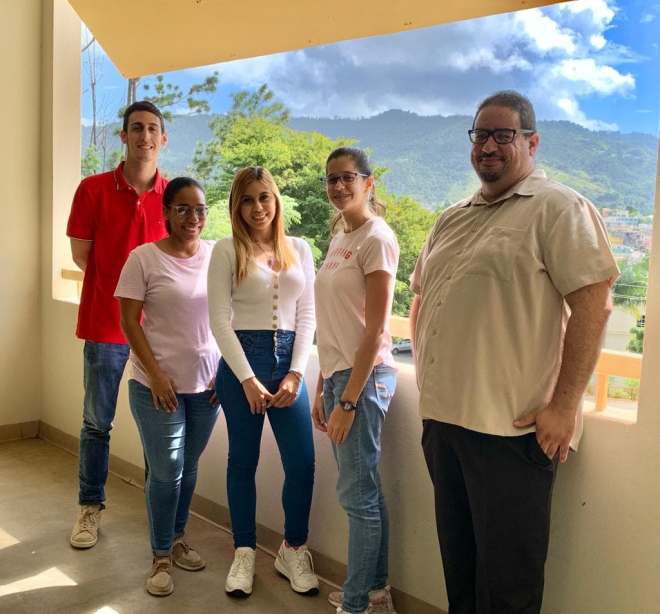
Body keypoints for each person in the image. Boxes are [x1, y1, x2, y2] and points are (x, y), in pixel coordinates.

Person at [410, 90, 619, 614]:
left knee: (509, 587)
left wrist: (564, 406)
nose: (488, 146)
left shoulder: (558, 208)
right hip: (444, 425)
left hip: (510, 433)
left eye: (503, 134)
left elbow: (593, 305)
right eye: (480, 134)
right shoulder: (451, 217)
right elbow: (422, 299)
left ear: (532, 142)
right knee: (460, 572)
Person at [207, 166, 318, 598]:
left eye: (264, 197)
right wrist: (247, 379)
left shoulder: (300, 248)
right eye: (248, 200)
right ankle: (244, 552)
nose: (258, 208)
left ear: (276, 200)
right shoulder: (225, 250)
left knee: (302, 463)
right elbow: (219, 321)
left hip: (288, 363)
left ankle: (293, 549)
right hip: (242, 365)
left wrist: (296, 372)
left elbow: (307, 315)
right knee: (242, 461)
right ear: (237, 207)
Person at [66, 101, 168, 549]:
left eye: (153, 129)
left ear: (163, 139)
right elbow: (82, 256)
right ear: (123, 136)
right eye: (137, 128)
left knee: (157, 429)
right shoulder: (92, 189)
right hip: (105, 324)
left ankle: (159, 513)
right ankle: (89, 508)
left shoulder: (174, 195)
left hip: (159, 332)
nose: (145, 136)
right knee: (96, 423)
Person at [115, 177, 220, 596]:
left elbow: (230, 315)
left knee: (187, 467)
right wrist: (156, 374)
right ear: (167, 213)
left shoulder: (217, 255)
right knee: (165, 472)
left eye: (200, 209)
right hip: (156, 386)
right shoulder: (143, 258)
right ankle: (160, 555)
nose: (193, 218)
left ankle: (177, 539)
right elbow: (129, 321)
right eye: (183, 209)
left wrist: (226, 369)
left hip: (207, 386)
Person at [312, 147, 400, 614]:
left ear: (368, 182)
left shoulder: (376, 238)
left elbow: (375, 330)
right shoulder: (341, 235)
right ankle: (375, 593)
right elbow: (334, 321)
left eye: (348, 177)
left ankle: (356, 603)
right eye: (332, 179)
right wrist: (322, 385)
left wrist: (347, 400)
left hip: (362, 381)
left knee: (357, 496)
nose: (339, 186)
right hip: (339, 375)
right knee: (365, 490)